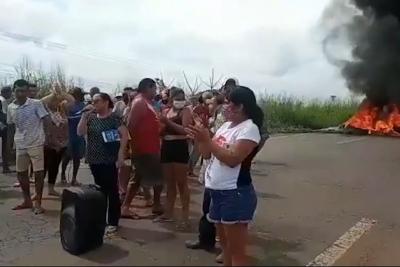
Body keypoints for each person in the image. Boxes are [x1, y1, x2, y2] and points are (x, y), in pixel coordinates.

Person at [186, 86, 264, 266]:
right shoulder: (226, 126)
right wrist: (200, 138)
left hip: (234, 193)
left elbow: (233, 159)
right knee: (226, 247)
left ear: (240, 107)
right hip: (217, 191)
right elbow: (207, 155)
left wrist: (207, 140)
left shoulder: (249, 129)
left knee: (237, 253)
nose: (224, 106)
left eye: (229, 103)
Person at [77, 93, 128, 235]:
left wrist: (121, 154)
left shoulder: (114, 118)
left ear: (106, 102)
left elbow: (124, 135)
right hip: (94, 159)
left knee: (111, 190)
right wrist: (83, 116)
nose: (94, 104)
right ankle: (100, 218)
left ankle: (113, 221)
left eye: (97, 101)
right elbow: (80, 132)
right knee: (100, 190)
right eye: (92, 101)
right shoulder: (91, 118)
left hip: (109, 159)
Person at [121, 78, 163, 218]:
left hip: (151, 147)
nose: (155, 91)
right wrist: (132, 146)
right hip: (143, 148)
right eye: (154, 88)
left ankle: (156, 205)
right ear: (147, 88)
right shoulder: (139, 102)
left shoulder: (147, 103)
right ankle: (126, 207)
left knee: (153, 178)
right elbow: (131, 126)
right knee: (139, 178)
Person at [8, 79, 50, 214]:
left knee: (38, 173)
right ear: (14, 91)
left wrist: (47, 137)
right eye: (17, 91)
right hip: (20, 143)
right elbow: (10, 126)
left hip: (36, 142)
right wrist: (10, 145)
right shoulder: (11, 107)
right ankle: (27, 200)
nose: (20, 94)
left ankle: (38, 202)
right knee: (21, 173)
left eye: (23, 91)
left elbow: (46, 119)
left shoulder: (36, 104)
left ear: (27, 91)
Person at [156, 88, 193, 228]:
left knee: (182, 183)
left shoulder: (186, 111)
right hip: (166, 146)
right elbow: (160, 130)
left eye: (182, 98)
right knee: (169, 182)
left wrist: (168, 122)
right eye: (177, 98)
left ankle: (185, 217)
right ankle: (168, 213)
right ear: (171, 99)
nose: (179, 100)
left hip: (179, 145)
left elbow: (185, 130)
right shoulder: (165, 111)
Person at [41, 83, 74, 196]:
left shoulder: (62, 109)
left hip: (62, 143)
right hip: (47, 143)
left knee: (54, 166)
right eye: (54, 100)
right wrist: (53, 93)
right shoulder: (43, 109)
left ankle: (51, 188)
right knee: (43, 167)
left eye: (58, 100)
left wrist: (61, 93)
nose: (56, 102)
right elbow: (42, 100)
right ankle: (38, 191)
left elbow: (71, 100)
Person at [61, 87, 86, 185]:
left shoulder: (83, 105)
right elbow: (63, 117)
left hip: (79, 134)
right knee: (67, 156)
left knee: (77, 158)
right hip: (69, 133)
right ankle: (63, 175)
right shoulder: (66, 104)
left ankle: (74, 178)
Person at [188, 92, 213, 177]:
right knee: (195, 152)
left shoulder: (209, 109)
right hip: (197, 132)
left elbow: (209, 120)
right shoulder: (197, 108)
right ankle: (189, 169)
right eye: (208, 98)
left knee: (197, 152)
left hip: (205, 132)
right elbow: (193, 119)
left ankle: (190, 169)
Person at [0, 86, 12, 173]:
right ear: (5, 92)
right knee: (5, 146)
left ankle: (5, 166)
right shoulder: (3, 100)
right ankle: (5, 167)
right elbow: (4, 115)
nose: (11, 94)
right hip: (2, 127)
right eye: (10, 92)